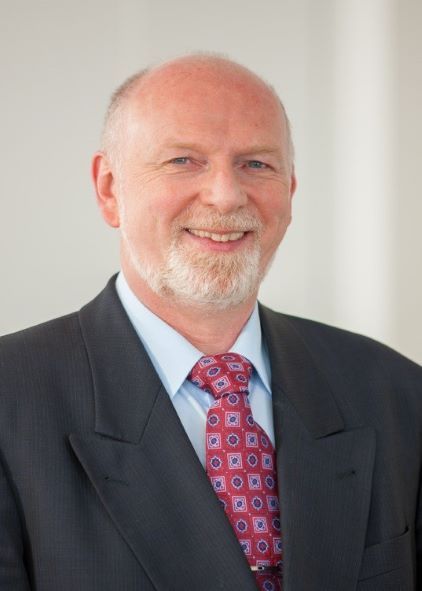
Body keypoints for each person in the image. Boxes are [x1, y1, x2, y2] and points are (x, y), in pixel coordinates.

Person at [0, 54, 421, 591]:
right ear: (109, 189)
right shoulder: (11, 401)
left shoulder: (397, 393)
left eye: (256, 164)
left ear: (290, 191)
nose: (226, 195)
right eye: (183, 160)